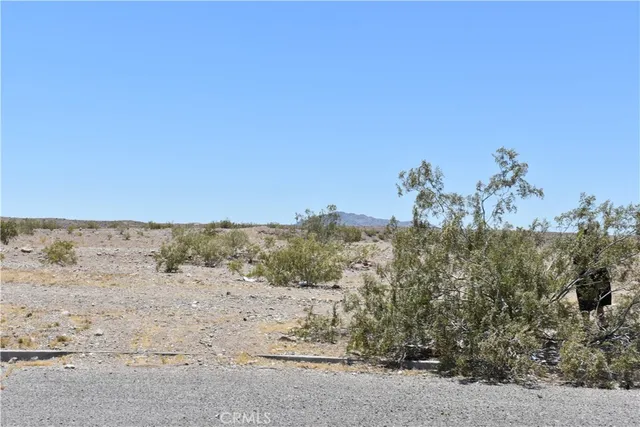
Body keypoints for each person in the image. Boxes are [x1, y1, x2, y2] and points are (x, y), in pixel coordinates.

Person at [573, 222, 612, 328]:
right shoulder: (579, 250)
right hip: (585, 277)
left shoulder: (597, 247)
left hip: (596, 276)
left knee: (600, 300)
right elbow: (577, 264)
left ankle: (600, 323)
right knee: (585, 303)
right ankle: (587, 326)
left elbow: (603, 261)